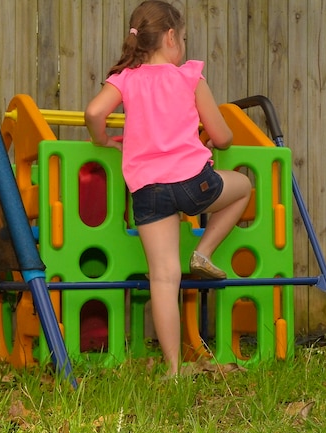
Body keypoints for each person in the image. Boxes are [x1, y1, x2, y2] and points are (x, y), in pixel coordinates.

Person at [85, 0, 251, 378]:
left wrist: (102, 140)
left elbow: (95, 113)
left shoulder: (126, 78)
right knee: (242, 188)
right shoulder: (189, 76)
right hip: (194, 183)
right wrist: (212, 137)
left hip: (148, 191)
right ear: (171, 37)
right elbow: (223, 138)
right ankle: (204, 252)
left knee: (162, 278)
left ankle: (173, 370)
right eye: (185, 38)